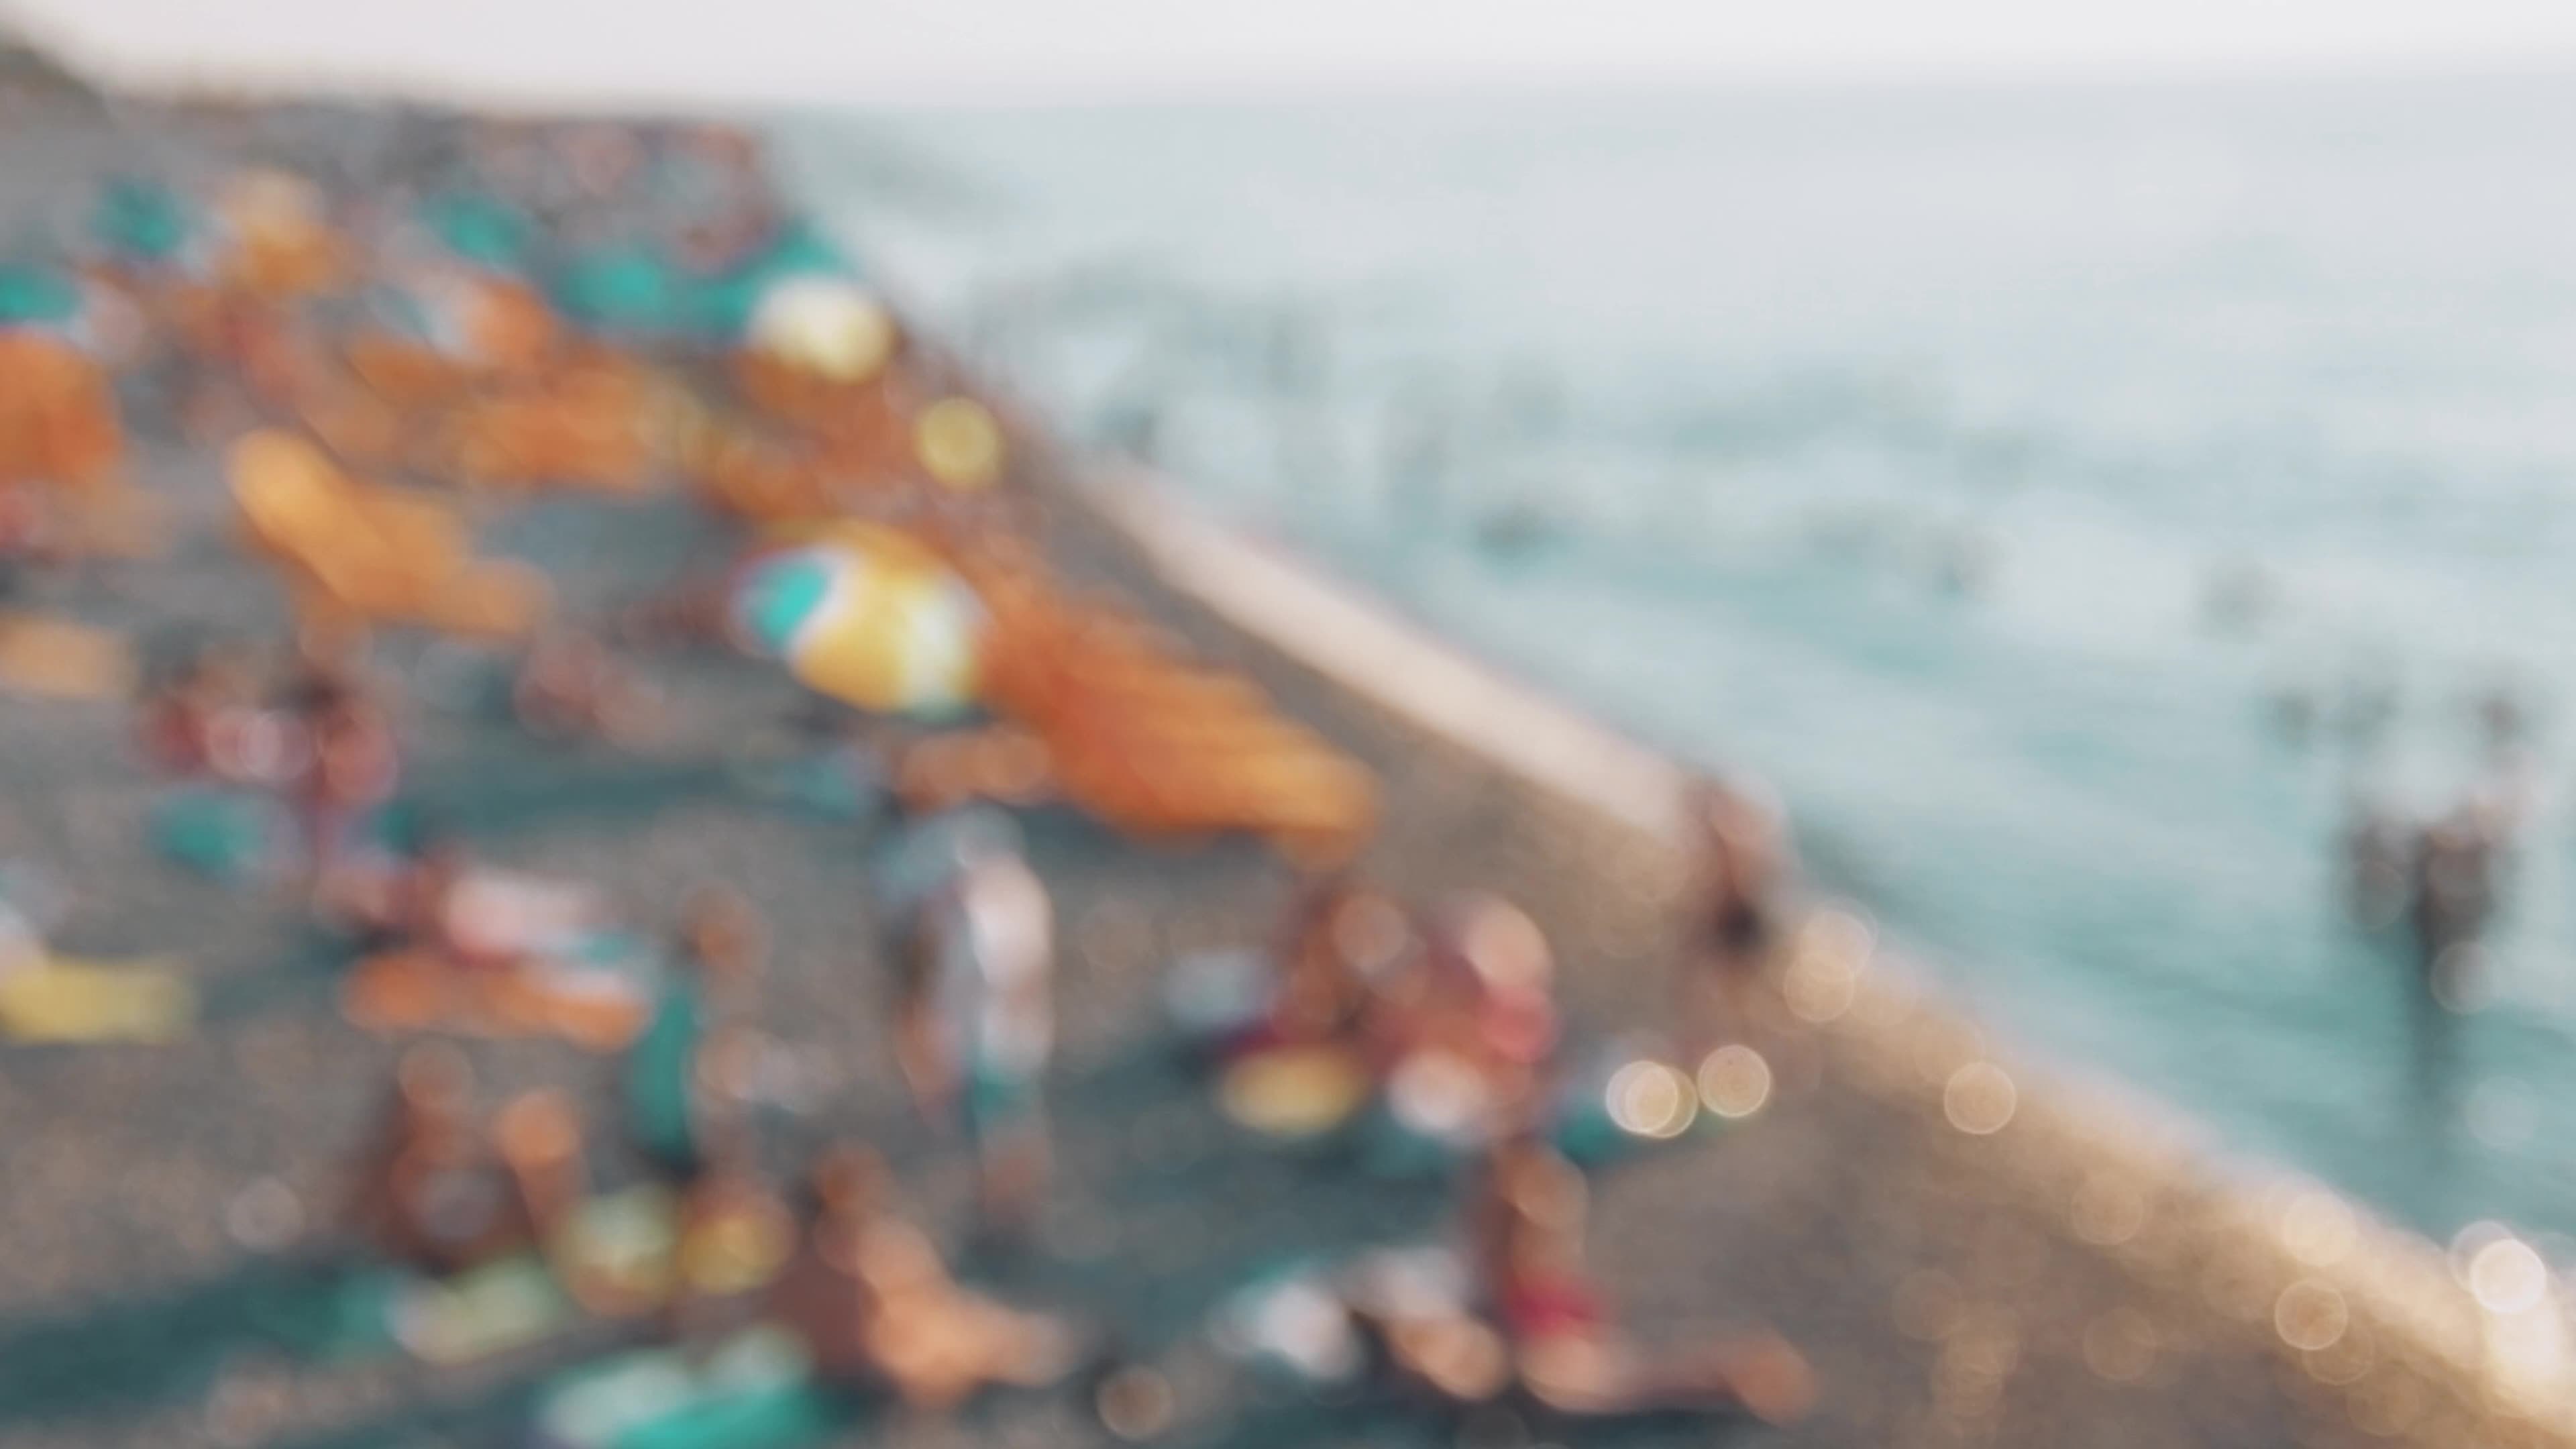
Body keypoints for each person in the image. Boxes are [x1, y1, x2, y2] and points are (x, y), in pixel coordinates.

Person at [771, 1144, 1079, 1409]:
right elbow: (886, 1334)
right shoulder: (853, 1261)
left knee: (982, 1332)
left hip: (841, 1370)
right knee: (978, 1339)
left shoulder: (800, 1262)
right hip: (873, 1374)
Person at [892, 816, 1055, 1230]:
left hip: (999, 1037)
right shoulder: (981, 907)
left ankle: (1007, 1208)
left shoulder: (1005, 908)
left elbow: (1005, 973)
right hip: (981, 1034)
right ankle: (1000, 1205)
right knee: (993, 1126)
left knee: (1004, 1126)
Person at [1680, 779, 1788, 1057]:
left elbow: (1727, 887)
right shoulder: (1739, 835)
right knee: (1730, 990)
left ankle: (1734, 1043)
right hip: (1739, 918)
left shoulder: (1724, 837)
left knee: (1726, 988)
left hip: (1735, 920)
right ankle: (1738, 1042)